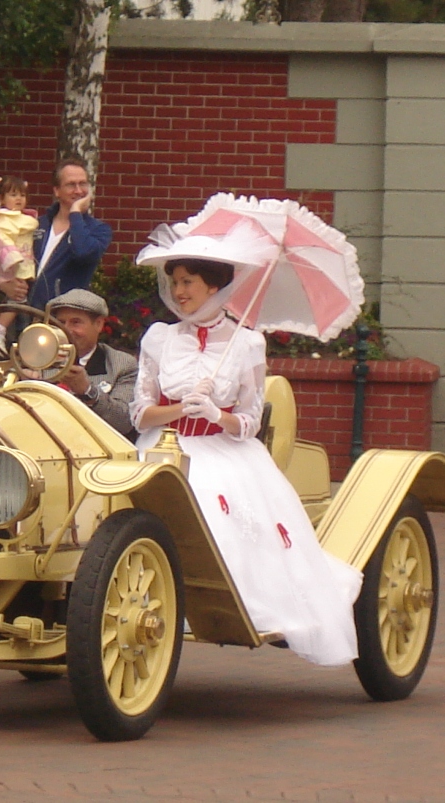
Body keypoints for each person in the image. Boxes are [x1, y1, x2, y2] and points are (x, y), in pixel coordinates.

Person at [129, 257, 362, 667]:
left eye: (189, 282)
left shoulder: (246, 343)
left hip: (224, 452)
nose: (180, 292)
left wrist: (217, 415)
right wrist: (182, 408)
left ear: (215, 287)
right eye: (176, 282)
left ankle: (221, 604)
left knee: (213, 506)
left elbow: (250, 421)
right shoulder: (160, 338)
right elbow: (140, 413)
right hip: (163, 447)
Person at [1, 158, 111, 313]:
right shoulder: (34, 225)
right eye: (71, 184)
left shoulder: (98, 230)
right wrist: (5, 284)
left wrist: (75, 213)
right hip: (20, 314)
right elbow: (2, 254)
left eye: (83, 184)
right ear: (56, 190)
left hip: (61, 319)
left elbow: (83, 252)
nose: (79, 190)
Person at [47, 288, 137, 438]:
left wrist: (88, 391)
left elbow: (123, 422)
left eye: (76, 322)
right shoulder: (40, 358)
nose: (67, 330)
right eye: (61, 323)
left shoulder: (122, 364)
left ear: (99, 324)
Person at [0, 175, 38, 350]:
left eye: (22, 195)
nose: (19, 199)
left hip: (21, 262)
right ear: (1, 198)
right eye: (13, 195)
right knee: (18, 297)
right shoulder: (1, 219)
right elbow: (1, 241)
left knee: (16, 297)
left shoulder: (20, 218)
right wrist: (12, 258)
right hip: (11, 264)